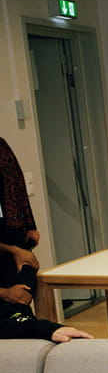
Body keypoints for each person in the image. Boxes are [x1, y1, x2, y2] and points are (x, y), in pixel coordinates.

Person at [1, 136, 41, 319]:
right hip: (8, 246)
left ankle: (24, 319)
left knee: (26, 272)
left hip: (11, 230)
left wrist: (30, 225)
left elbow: (16, 186)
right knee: (13, 304)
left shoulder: (1, 146)